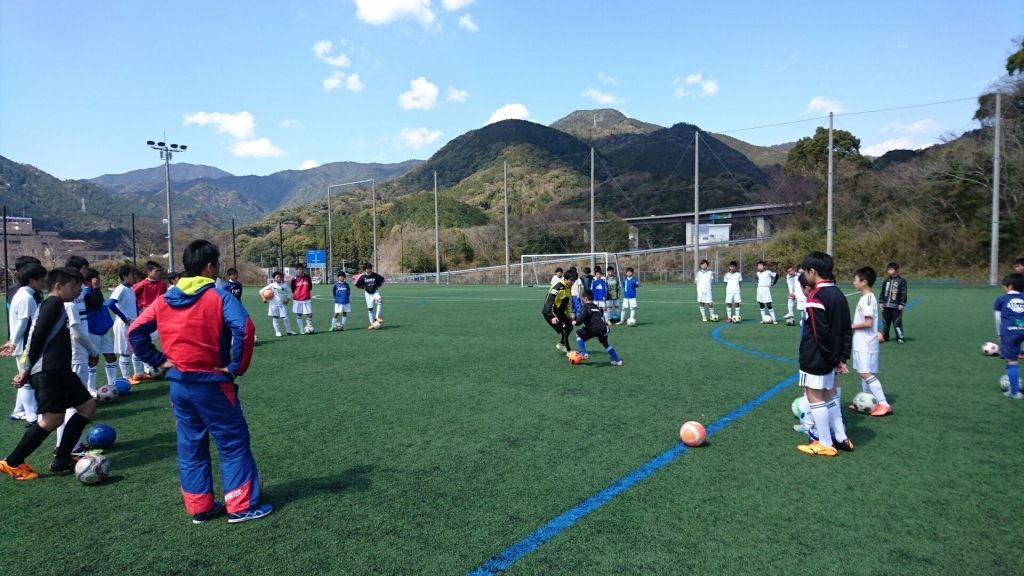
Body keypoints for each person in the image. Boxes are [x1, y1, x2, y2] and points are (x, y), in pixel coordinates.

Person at [129, 239, 270, 523]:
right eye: (216, 266)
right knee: (232, 441)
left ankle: (200, 507)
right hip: (212, 383)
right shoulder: (219, 297)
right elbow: (244, 329)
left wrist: (158, 360)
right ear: (209, 267)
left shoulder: (165, 299)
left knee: (190, 445)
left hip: (179, 385)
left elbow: (135, 331)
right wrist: (235, 367)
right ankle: (240, 506)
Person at [0, 268, 98, 480]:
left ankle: (62, 458)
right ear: (58, 286)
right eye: (73, 286)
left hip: (60, 370)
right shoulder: (52, 304)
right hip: (48, 371)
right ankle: (12, 462)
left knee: (87, 406)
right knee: (52, 419)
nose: (77, 291)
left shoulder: (58, 305)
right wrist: (26, 369)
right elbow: (36, 336)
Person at [796, 252, 854, 456]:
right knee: (830, 396)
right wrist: (841, 358)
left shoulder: (815, 297)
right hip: (831, 357)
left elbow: (820, 334)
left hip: (816, 356)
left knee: (814, 396)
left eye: (805, 271)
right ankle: (841, 437)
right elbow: (847, 329)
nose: (805, 275)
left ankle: (825, 443)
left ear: (812, 271)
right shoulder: (839, 293)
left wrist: (833, 359)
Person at [3, 263, 46, 425]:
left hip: (22, 345)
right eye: (41, 279)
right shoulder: (26, 298)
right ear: (32, 280)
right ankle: (31, 416)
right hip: (24, 346)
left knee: (26, 379)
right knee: (27, 380)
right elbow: (22, 323)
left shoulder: (23, 294)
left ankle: (26, 413)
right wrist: (14, 342)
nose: (43, 282)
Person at [849, 267, 891, 415]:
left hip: (865, 343)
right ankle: (867, 401)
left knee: (865, 373)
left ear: (864, 282)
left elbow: (868, 323)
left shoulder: (868, 300)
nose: (853, 282)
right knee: (863, 372)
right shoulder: (865, 298)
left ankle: (884, 403)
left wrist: (851, 326)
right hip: (861, 342)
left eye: (855, 279)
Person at [83, 268, 118, 393]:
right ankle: (90, 388)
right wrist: (96, 288)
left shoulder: (96, 292)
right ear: (88, 281)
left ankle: (112, 385)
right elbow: (97, 305)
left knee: (111, 357)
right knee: (93, 359)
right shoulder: (86, 293)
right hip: (93, 330)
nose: (98, 281)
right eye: (96, 279)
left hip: (104, 330)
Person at [107, 264, 142, 383]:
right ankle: (126, 378)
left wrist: (138, 318)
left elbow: (135, 304)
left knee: (136, 348)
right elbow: (110, 304)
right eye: (132, 275)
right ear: (124, 276)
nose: (135, 277)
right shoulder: (120, 288)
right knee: (125, 351)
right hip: (123, 323)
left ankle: (138, 374)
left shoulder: (130, 289)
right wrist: (123, 317)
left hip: (133, 322)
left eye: (135, 274)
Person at [573, 289, 623, 366]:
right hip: (602, 328)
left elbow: (579, 320)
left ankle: (584, 353)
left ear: (585, 298)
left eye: (583, 298)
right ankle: (618, 361)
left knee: (577, 334)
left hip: (592, 329)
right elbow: (596, 317)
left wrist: (574, 322)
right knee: (605, 344)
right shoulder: (596, 306)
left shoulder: (585, 307)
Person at [994, 273, 1024, 399]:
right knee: (1015, 354)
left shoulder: (1001, 299)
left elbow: (998, 319)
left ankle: (1015, 392)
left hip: (1009, 332)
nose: (1003, 288)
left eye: (1004, 285)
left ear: (1010, 286)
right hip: (1022, 331)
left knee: (1011, 361)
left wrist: (999, 334)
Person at [543, 268, 577, 354]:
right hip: (550, 313)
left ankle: (561, 344)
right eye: (571, 280)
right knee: (564, 329)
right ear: (566, 279)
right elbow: (548, 302)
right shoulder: (557, 288)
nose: (572, 283)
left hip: (560, 312)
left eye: (574, 281)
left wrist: (570, 315)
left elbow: (568, 303)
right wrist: (552, 316)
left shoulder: (568, 287)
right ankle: (569, 351)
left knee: (569, 327)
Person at [879, 262, 907, 344]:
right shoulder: (886, 281)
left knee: (897, 323)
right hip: (886, 305)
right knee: (885, 323)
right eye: (888, 270)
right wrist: (881, 301)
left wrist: (902, 303)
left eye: (891, 270)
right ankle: (885, 337)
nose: (889, 271)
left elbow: (903, 293)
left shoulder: (901, 281)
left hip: (896, 306)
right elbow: (883, 291)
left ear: (896, 270)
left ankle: (900, 337)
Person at [261, 271, 294, 337]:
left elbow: (289, 293)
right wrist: (264, 298)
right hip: (273, 305)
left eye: (280, 277)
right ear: (274, 278)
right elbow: (261, 291)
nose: (279, 278)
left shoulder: (284, 285)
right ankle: (277, 332)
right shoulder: (272, 285)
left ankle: (289, 331)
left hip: (281, 304)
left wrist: (287, 301)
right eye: (277, 277)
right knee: (275, 317)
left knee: (285, 318)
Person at [354, 262, 385, 329]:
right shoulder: (362, 277)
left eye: (370, 268)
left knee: (380, 300)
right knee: (370, 309)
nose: (369, 270)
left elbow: (382, 279)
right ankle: (372, 324)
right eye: (367, 268)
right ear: (365, 269)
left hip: (375, 292)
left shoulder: (375, 275)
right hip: (368, 294)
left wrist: (378, 285)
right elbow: (356, 283)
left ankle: (377, 317)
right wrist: (363, 287)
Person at [290, 263, 314, 332]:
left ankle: (308, 327)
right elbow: (293, 289)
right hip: (298, 299)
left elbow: (310, 287)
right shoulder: (294, 279)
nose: (301, 270)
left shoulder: (307, 277)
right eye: (299, 269)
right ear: (296, 270)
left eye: (302, 269)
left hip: (306, 299)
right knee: (299, 314)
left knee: (310, 314)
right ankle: (301, 330)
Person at [756, 261, 779, 325]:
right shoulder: (758, 273)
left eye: (760, 265)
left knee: (768, 305)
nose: (759, 267)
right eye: (758, 266)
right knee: (761, 304)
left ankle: (774, 320)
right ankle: (763, 319)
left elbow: (777, 275)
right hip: (759, 289)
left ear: (764, 266)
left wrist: (774, 283)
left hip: (766, 289)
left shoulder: (768, 272)